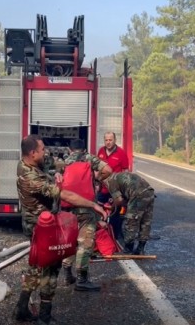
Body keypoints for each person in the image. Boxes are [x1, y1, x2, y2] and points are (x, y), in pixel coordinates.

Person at [13, 134, 108, 324]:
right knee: (50, 270)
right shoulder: (31, 178)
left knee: (34, 267)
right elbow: (65, 195)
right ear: (33, 153)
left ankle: (21, 310)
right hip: (42, 229)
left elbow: (52, 164)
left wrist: (54, 172)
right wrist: (92, 204)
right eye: (42, 150)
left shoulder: (27, 164)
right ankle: (45, 317)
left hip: (38, 226)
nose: (45, 152)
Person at [59, 139, 113, 291]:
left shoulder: (65, 161)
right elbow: (108, 170)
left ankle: (68, 274)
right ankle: (82, 280)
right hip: (86, 208)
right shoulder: (89, 158)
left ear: (70, 150)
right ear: (84, 149)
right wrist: (96, 179)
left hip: (67, 208)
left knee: (70, 241)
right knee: (85, 243)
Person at [104, 172, 155, 255]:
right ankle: (140, 249)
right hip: (149, 192)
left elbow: (119, 200)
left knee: (131, 221)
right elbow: (125, 198)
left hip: (138, 194)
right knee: (145, 221)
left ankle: (128, 249)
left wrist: (112, 206)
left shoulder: (110, 182)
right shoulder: (118, 176)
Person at [96, 132, 130, 240]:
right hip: (103, 189)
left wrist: (124, 189)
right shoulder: (101, 151)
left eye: (110, 140)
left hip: (115, 190)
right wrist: (97, 184)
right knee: (98, 210)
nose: (108, 142)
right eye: (106, 140)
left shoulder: (121, 153)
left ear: (115, 140)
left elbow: (126, 171)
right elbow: (97, 169)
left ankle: (116, 235)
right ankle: (100, 234)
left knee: (116, 213)